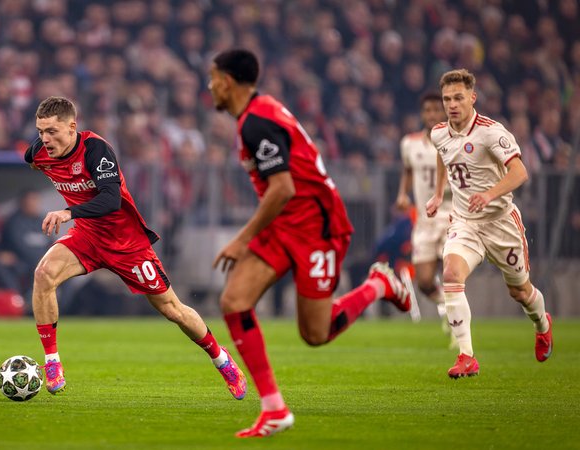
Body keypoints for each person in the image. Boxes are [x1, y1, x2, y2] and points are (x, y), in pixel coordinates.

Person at [207, 48, 410, 438]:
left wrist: (242, 239)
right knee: (233, 301)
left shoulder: (256, 122)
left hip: (317, 226)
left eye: (213, 78)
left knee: (316, 334)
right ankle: (274, 409)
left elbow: (283, 187)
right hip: (286, 224)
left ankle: (378, 285)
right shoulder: (259, 112)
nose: (210, 86)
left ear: (227, 81)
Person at [23, 96, 247, 400]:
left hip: (127, 243)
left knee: (173, 310)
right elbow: (33, 160)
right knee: (43, 274)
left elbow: (110, 200)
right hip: (88, 237)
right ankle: (52, 363)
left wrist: (68, 212)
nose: (45, 139)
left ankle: (222, 359)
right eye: (41, 132)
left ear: (72, 126)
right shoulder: (38, 153)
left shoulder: (95, 150)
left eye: (52, 131)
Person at [425, 68, 553, 379]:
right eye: (446, 99)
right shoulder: (439, 132)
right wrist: (438, 193)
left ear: (472, 97)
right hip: (466, 222)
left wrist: (489, 193)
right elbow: (443, 154)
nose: (452, 104)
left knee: (520, 292)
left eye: (458, 98)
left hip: (500, 223)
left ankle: (543, 325)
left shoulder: (491, 132)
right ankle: (466, 355)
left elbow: (520, 172)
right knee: (452, 274)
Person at [395, 92, 454, 346]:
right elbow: (407, 170)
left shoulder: (455, 141)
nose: (432, 115)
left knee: (453, 275)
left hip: (452, 216)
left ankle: (459, 328)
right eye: (427, 111)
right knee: (424, 281)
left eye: (436, 111)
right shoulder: (409, 143)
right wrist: (402, 194)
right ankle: (447, 306)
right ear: (422, 114)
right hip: (424, 221)